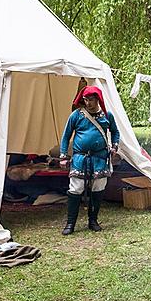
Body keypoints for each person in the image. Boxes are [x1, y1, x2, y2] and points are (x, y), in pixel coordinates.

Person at [59, 86, 120, 235]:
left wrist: (114, 146)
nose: (87, 103)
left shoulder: (107, 115)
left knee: (97, 188)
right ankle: (70, 223)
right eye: (85, 99)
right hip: (80, 158)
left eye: (91, 99)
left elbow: (115, 132)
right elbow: (66, 136)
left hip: (100, 158)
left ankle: (93, 220)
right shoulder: (76, 115)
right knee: (75, 189)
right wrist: (63, 155)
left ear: (97, 99)